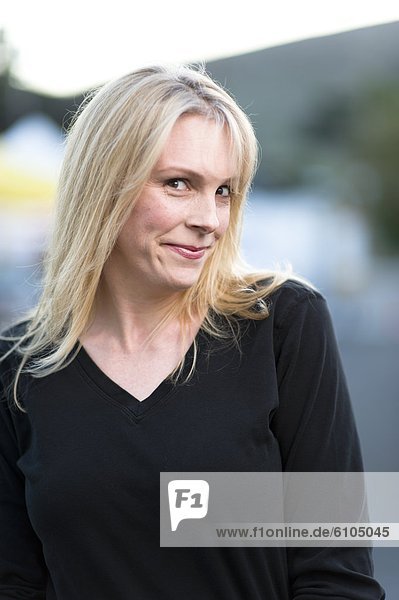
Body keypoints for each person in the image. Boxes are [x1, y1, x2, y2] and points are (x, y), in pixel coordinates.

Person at [0, 64, 385, 599]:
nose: (210, 219)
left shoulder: (283, 324)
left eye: (224, 191)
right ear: (104, 186)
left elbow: (337, 571)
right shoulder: (18, 368)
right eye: (178, 184)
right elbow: (15, 582)